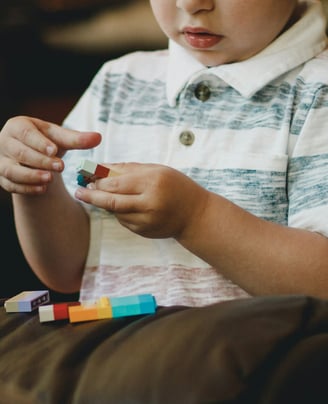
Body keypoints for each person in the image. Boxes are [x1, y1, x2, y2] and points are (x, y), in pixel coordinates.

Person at [1, 0, 328, 307]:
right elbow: (69, 270)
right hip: (116, 357)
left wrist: (196, 218)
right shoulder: (118, 82)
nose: (190, 4)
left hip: (252, 364)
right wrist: (36, 180)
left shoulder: (318, 92)